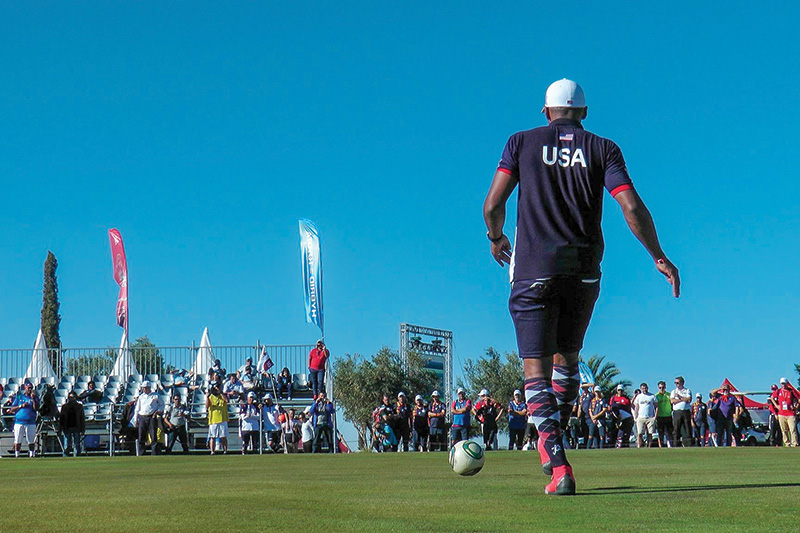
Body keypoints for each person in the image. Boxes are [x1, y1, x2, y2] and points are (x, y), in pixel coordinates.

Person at [483, 78, 680, 495]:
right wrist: (658, 255)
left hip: (534, 268)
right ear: (585, 114)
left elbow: (493, 204)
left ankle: (557, 464)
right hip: (585, 271)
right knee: (567, 361)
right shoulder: (604, 148)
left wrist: (496, 237)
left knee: (535, 370)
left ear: (545, 111)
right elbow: (630, 204)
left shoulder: (521, 142)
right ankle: (554, 438)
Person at [8, 382, 40, 457]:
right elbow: (12, 408)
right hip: (19, 421)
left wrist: (33, 399)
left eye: (30, 388)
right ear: (25, 388)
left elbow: (36, 408)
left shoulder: (35, 397)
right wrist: (21, 406)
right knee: (18, 439)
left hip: (30, 422)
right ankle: (17, 454)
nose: (29, 390)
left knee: (31, 440)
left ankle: (32, 454)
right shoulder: (19, 396)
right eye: (28, 388)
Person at [134, 381, 164, 456]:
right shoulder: (141, 397)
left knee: (153, 435)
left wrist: (157, 412)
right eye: (143, 388)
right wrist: (136, 419)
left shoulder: (155, 395)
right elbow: (137, 409)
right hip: (142, 417)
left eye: (145, 388)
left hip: (151, 417)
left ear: (148, 387)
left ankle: (154, 453)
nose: (143, 389)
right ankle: (141, 453)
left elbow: (162, 405)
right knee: (141, 436)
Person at [771, 377, 798, 447]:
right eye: (782, 384)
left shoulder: (791, 391)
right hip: (781, 413)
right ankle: (787, 443)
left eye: (784, 384)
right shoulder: (778, 391)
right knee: (784, 430)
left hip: (790, 413)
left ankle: (794, 443)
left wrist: (795, 406)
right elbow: (772, 398)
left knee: (792, 429)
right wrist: (776, 405)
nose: (783, 385)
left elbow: (797, 399)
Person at [59, 390, 85, 457]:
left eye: (73, 397)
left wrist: (83, 429)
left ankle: (77, 457)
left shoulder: (79, 407)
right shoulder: (64, 407)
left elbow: (82, 418)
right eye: (70, 397)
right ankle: (65, 456)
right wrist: (60, 428)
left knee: (77, 444)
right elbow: (61, 418)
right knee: (67, 444)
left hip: (76, 427)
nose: (71, 399)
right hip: (67, 427)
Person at [633, 383, 660, 448]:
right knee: (639, 433)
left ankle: (649, 446)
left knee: (650, 433)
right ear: (641, 389)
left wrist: (655, 417)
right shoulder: (639, 397)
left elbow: (656, 406)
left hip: (650, 417)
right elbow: (636, 407)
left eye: (645, 388)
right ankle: (639, 446)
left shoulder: (652, 396)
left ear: (647, 388)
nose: (644, 389)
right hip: (641, 417)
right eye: (643, 388)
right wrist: (636, 417)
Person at [205, 383, 229, 454]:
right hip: (213, 420)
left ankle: (225, 451)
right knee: (213, 436)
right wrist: (207, 397)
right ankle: (212, 451)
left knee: (223, 436)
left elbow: (226, 400)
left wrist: (221, 393)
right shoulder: (211, 396)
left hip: (222, 418)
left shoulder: (223, 396)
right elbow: (206, 406)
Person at [670, 376, 693, 447]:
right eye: (675, 383)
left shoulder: (687, 390)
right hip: (677, 412)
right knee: (676, 428)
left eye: (677, 383)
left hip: (685, 411)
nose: (676, 384)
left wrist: (679, 397)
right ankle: (676, 444)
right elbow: (672, 401)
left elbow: (689, 400)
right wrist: (682, 399)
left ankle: (689, 444)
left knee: (687, 428)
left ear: (682, 383)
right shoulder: (674, 391)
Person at [655, 381, 673, 448]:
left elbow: (672, 404)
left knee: (669, 432)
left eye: (663, 387)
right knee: (660, 433)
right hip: (660, 416)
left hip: (668, 415)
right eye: (660, 387)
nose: (661, 389)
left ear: (665, 387)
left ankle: (669, 445)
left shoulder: (669, 395)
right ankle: (660, 446)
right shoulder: (656, 396)